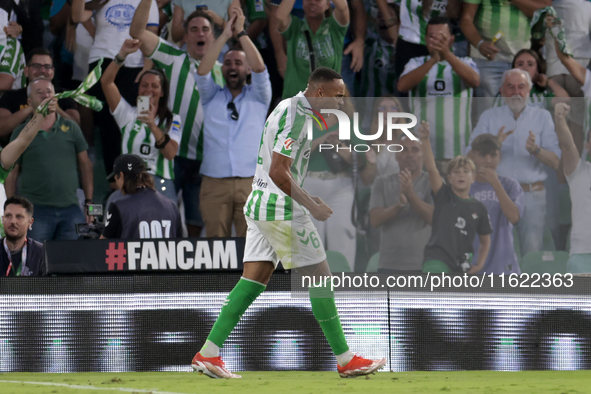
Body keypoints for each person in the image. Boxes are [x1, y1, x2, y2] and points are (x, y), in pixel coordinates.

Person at [191, 67, 386, 379]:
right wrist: (313, 204)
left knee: (253, 280)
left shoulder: (288, 107)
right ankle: (346, 359)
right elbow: (280, 172)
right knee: (321, 277)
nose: (340, 101)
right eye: (337, 96)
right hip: (281, 207)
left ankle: (209, 353)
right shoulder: (297, 115)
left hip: (258, 202)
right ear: (319, 92)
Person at [130, 2, 224, 237]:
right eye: (193, 29)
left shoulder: (226, 70)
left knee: (195, 221)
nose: (200, 33)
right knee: (165, 219)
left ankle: (187, 271)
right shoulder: (173, 57)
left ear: (214, 37)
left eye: (205, 29)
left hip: (206, 160)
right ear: (185, 35)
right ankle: (165, 271)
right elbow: (137, 33)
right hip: (169, 155)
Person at [467, 69, 560, 256]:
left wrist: (536, 150)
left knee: (531, 253)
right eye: (510, 87)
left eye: (521, 87)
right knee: (494, 251)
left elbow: (556, 162)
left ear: (529, 90)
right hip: (494, 195)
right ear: (501, 90)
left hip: (532, 196)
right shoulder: (489, 116)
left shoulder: (542, 117)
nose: (516, 92)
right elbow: (469, 158)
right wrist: (495, 143)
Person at [196, 8, 272, 237]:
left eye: (238, 63)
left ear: (247, 69)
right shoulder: (210, 97)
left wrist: (241, 34)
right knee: (215, 249)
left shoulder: (260, 96)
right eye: (227, 63)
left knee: (251, 246)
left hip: (251, 182)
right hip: (214, 182)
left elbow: (261, 68)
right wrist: (225, 36)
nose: (232, 67)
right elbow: (202, 71)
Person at [71, 0, 160, 177]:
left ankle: (138, 173)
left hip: (136, 64)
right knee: (108, 121)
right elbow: (78, 16)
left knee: (137, 119)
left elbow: (151, 34)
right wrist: (98, 35)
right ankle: (113, 178)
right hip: (102, 60)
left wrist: (146, 69)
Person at [4, 80, 94, 243]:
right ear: (30, 102)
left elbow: (86, 166)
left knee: (71, 262)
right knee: (35, 261)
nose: (46, 95)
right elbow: (12, 171)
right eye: (39, 92)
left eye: (49, 92)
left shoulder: (71, 127)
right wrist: (12, 205)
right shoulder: (21, 132)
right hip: (35, 211)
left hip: (70, 208)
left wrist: (89, 201)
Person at [101, 39, 181, 202]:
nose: (149, 90)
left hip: (161, 182)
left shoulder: (173, 119)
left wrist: (152, 124)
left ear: (162, 92)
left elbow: (170, 153)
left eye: (154, 86)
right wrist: (122, 55)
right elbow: (106, 82)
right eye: (144, 85)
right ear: (139, 89)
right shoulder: (127, 114)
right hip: (131, 181)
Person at [398, 17, 479, 176]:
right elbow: (402, 86)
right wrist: (433, 60)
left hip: (458, 153)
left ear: (452, 39)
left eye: (441, 37)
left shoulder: (465, 62)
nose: (435, 41)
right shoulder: (415, 62)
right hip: (422, 153)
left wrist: (446, 55)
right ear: (425, 39)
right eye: (431, 36)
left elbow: (475, 81)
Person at [418, 121, 492, 274]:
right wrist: (425, 140)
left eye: (466, 171)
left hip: (462, 264)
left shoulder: (479, 208)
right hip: (436, 259)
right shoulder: (443, 194)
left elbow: (485, 241)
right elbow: (432, 169)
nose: (461, 175)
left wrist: (479, 264)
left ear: (474, 177)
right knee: (436, 291)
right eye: (456, 172)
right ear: (449, 178)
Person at [461, 0, 550, 119]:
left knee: (524, 116)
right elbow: (465, 19)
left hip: (521, 61)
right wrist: (479, 44)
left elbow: (546, 8)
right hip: (488, 61)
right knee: (489, 116)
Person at [369, 135, 433, 274]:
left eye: (415, 150)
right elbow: (375, 220)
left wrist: (410, 194)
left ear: (423, 155)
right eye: (403, 150)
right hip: (389, 264)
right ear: (396, 155)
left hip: (423, 265)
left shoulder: (433, 183)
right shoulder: (382, 182)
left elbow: (434, 218)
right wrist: (400, 205)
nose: (409, 154)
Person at [468, 133, 524, 274]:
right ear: (473, 156)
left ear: (500, 156)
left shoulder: (511, 185)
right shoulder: (464, 186)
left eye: (493, 155)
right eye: (482, 155)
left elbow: (514, 217)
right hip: (473, 266)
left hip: (504, 267)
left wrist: (495, 184)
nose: (488, 161)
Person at [276, 0, 350, 99]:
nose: (312, 2)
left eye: (318, 0)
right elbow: (280, 16)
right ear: (302, 3)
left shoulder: (334, 28)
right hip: (296, 102)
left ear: (328, 5)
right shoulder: (295, 27)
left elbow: (343, 8)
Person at [0, 47, 80, 138]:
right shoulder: (10, 96)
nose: (42, 70)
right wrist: (30, 108)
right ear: (26, 71)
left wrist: (55, 109)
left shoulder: (65, 95)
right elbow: (1, 129)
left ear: (53, 72)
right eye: (36, 66)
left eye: (47, 67)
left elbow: (76, 128)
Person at [101, 154, 182, 239]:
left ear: (121, 176)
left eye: (116, 179)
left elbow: (103, 246)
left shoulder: (118, 206)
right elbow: (178, 244)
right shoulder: (171, 206)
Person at [551, 103, 591, 273]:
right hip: (582, 257)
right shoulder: (579, 171)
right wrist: (560, 120)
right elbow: (567, 146)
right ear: (587, 146)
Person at [394, 0, 460, 79]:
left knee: (438, 88)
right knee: (406, 88)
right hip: (410, 43)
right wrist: (389, 21)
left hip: (440, 47)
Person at [491, 49, 570, 109]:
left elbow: (565, 99)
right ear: (513, 68)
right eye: (520, 64)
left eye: (530, 64)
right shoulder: (504, 94)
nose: (525, 68)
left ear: (536, 70)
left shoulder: (542, 94)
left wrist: (548, 81)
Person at [0, 196, 44, 277]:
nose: (13, 221)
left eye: (19, 217)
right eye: (8, 216)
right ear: (3, 219)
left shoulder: (41, 253)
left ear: (30, 222)